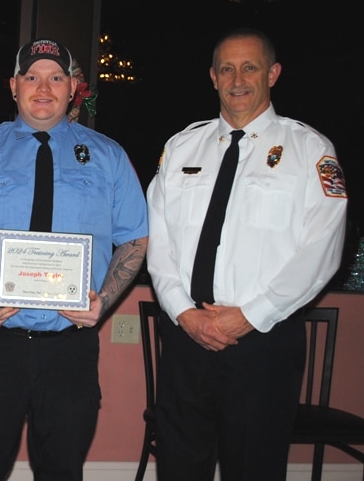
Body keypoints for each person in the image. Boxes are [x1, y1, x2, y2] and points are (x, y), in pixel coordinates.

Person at [0, 38, 149, 480]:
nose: (43, 87)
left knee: (62, 472)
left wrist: (104, 300)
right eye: (32, 77)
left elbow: (135, 238)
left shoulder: (109, 157)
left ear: (73, 88)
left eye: (55, 77)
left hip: (69, 351)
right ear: (14, 86)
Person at [146, 27, 348, 481]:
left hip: (263, 343)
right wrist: (182, 311)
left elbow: (322, 250)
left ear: (273, 74)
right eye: (227, 68)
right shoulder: (181, 148)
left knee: (254, 468)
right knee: (180, 468)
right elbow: (157, 241)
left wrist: (251, 315)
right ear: (213, 77)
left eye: (250, 67)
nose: (237, 79)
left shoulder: (310, 152)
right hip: (186, 338)